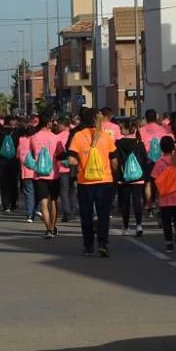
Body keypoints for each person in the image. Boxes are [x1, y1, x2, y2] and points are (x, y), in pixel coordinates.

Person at [68, 109, 118, 257]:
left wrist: (80, 164)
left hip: (85, 181)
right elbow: (114, 160)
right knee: (103, 214)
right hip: (105, 180)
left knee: (86, 214)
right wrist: (114, 174)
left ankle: (88, 245)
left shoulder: (78, 136)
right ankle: (103, 243)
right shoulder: (106, 136)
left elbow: (71, 159)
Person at [151, 136, 176, 252]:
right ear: (173, 147)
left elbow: (154, 179)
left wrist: (153, 197)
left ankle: (169, 244)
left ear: (161, 148)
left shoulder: (159, 163)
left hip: (164, 197)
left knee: (166, 221)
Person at [30, 114, 63, 238]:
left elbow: (30, 155)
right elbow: (61, 154)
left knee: (43, 202)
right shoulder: (55, 138)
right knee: (53, 201)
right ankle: (53, 227)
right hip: (53, 173)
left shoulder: (33, 137)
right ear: (48, 123)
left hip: (38, 174)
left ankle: (48, 229)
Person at [115, 118, 148, 236]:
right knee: (137, 202)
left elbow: (117, 161)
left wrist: (117, 177)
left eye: (121, 128)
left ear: (127, 129)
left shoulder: (118, 143)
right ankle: (139, 225)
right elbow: (145, 159)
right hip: (138, 176)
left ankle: (125, 226)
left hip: (124, 177)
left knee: (125, 202)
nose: (120, 130)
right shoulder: (139, 143)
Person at [0, 117, 21, 214]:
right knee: (14, 182)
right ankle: (13, 202)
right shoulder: (17, 132)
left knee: (4, 183)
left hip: (2, 160)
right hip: (14, 160)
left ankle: (6, 205)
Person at [54, 117, 77, 222]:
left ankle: (67, 212)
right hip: (73, 166)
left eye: (59, 124)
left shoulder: (57, 137)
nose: (57, 126)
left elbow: (55, 153)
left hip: (62, 167)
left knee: (64, 191)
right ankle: (73, 211)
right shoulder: (74, 135)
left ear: (64, 125)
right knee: (72, 190)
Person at [18, 129, 37, 223]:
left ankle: (30, 214)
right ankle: (37, 210)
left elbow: (18, 156)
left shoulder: (21, 141)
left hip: (25, 172)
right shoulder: (36, 141)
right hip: (37, 171)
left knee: (28, 193)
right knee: (37, 192)